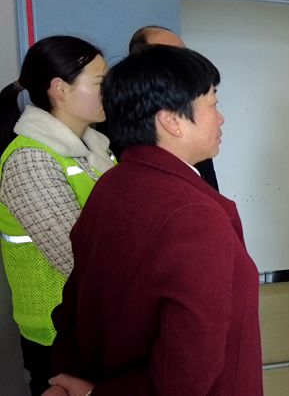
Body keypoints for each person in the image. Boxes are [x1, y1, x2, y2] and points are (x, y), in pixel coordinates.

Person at [44, 45, 262, 395]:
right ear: (171, 120)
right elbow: (186, 374)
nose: (221, 118)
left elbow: (74, 307)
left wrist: (68, 379)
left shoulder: (113, 182)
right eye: (213, 104)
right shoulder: (194, 215)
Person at [0, 36, 114, 396]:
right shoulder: (31, 159)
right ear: (60, 89)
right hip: (58, 331)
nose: (109, 91)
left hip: (96, 322)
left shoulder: (97, 150)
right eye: (100, 82)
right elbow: (75, 257)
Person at [102, 25, 220, 191]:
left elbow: (210, 192)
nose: (181, 62)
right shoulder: (111, 131)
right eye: (168, 54)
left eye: (182, 53)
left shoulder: (194, 141)